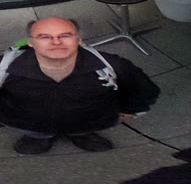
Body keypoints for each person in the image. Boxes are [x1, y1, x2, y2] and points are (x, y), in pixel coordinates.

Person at [0, 17, 159, 154]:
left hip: (88, 121)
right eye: (45, 37)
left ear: (78, 39)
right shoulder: (4, 66)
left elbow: (142, 89)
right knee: (37, 131)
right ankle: (40, 137)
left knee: (82, 128)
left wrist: (129, 111)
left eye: (65, 35)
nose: (56, 42)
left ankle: (81, 135)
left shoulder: (111, 64)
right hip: (31, 123)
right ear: (31, 42)